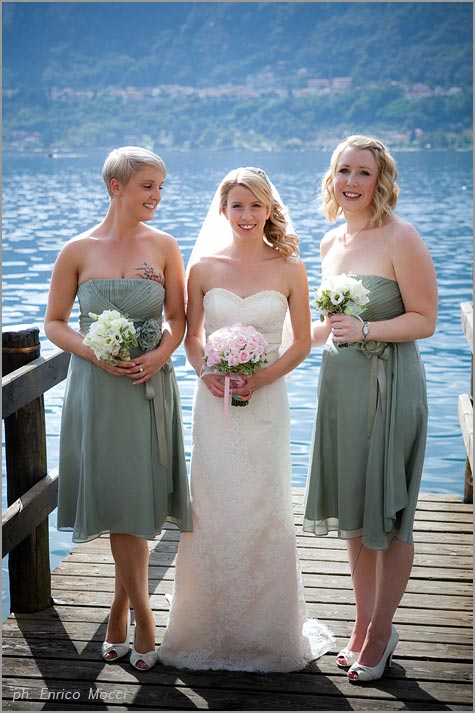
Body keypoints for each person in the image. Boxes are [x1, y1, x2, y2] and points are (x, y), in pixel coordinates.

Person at [158, 166, 334, 672]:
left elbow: (301, 341)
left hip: (267, 403)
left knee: (264, 504)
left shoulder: (289, 268)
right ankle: (202, 624)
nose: (247, 215)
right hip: (213, 402)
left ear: (269, 209)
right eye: (238, 205)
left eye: (256, 205)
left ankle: (267, 630)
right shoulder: (205, 268)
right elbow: (191, 336)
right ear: (223, 210)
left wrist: (261, 379)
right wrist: (207, 371)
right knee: (210, 503)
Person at [44, 146, 192, 671]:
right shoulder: (77, 250)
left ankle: (124, 615)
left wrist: (158, 356)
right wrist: (93, 351)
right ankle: (142, 620)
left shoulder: (167, 246)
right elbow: (55, 322)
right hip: (98, 388)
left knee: (137, 501)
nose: (156, 196)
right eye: (147, 186)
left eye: (160, 187)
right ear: (116, 187)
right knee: (119, 502)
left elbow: (178, 318)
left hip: (149, 385)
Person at [303, 135, 438, 683]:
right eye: (343, 171)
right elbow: (326, 329)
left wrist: (368, 329)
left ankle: (382, 633)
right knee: (356, 514)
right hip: (340, 390)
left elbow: (426, 319)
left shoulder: (400, 237)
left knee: (391, 514)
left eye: (363, 173)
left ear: (381, 181)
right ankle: (361, 627)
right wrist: (265, 354)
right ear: (331, 178)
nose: (352, 182)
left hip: (391, 385)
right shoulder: (330, 242)